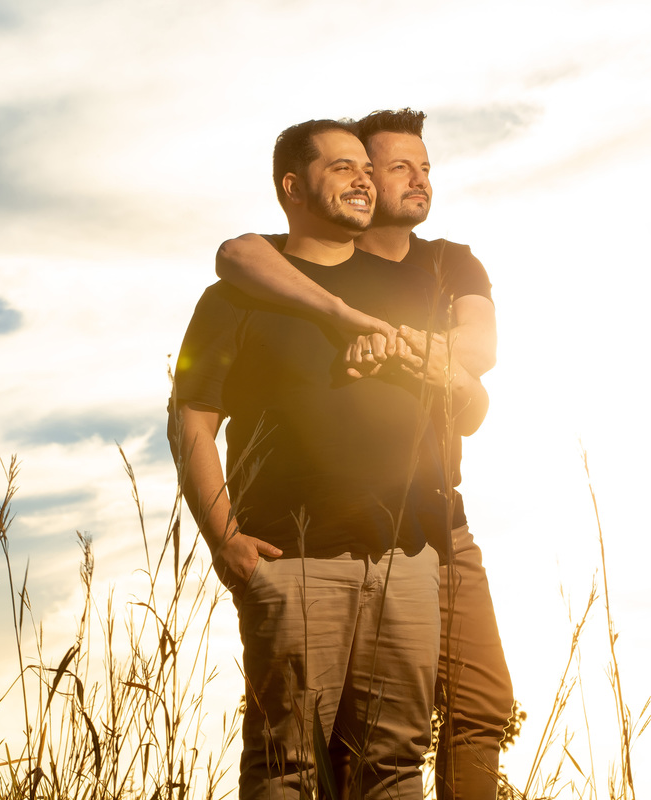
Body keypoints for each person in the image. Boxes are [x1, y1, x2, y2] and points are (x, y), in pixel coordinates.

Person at [215, 109, 513, 800]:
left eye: (427, 166)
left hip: (436, 523)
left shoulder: (446, 261)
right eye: (398, 167)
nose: (420, 179)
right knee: (344, 731)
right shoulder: (314, 269)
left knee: (478, 703)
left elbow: (480, 354)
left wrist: (411, 347)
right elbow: (236, 254)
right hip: (327, 534)